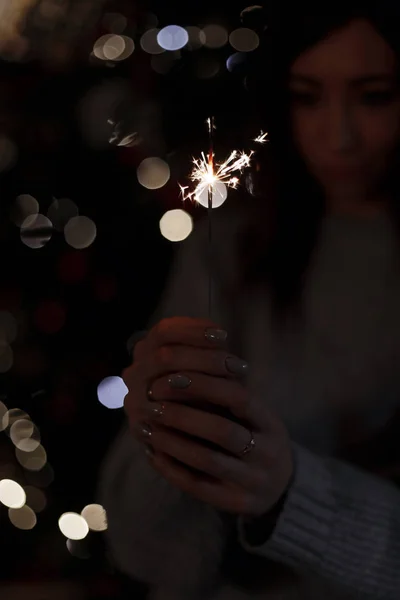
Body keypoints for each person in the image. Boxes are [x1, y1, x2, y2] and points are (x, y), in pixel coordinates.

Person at [98, 4, 400, 600]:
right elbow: (146, 552)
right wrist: (168, 436)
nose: (338, 138)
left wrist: (290, 496)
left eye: (373, 97)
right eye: (307, 98)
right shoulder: (232, 252)